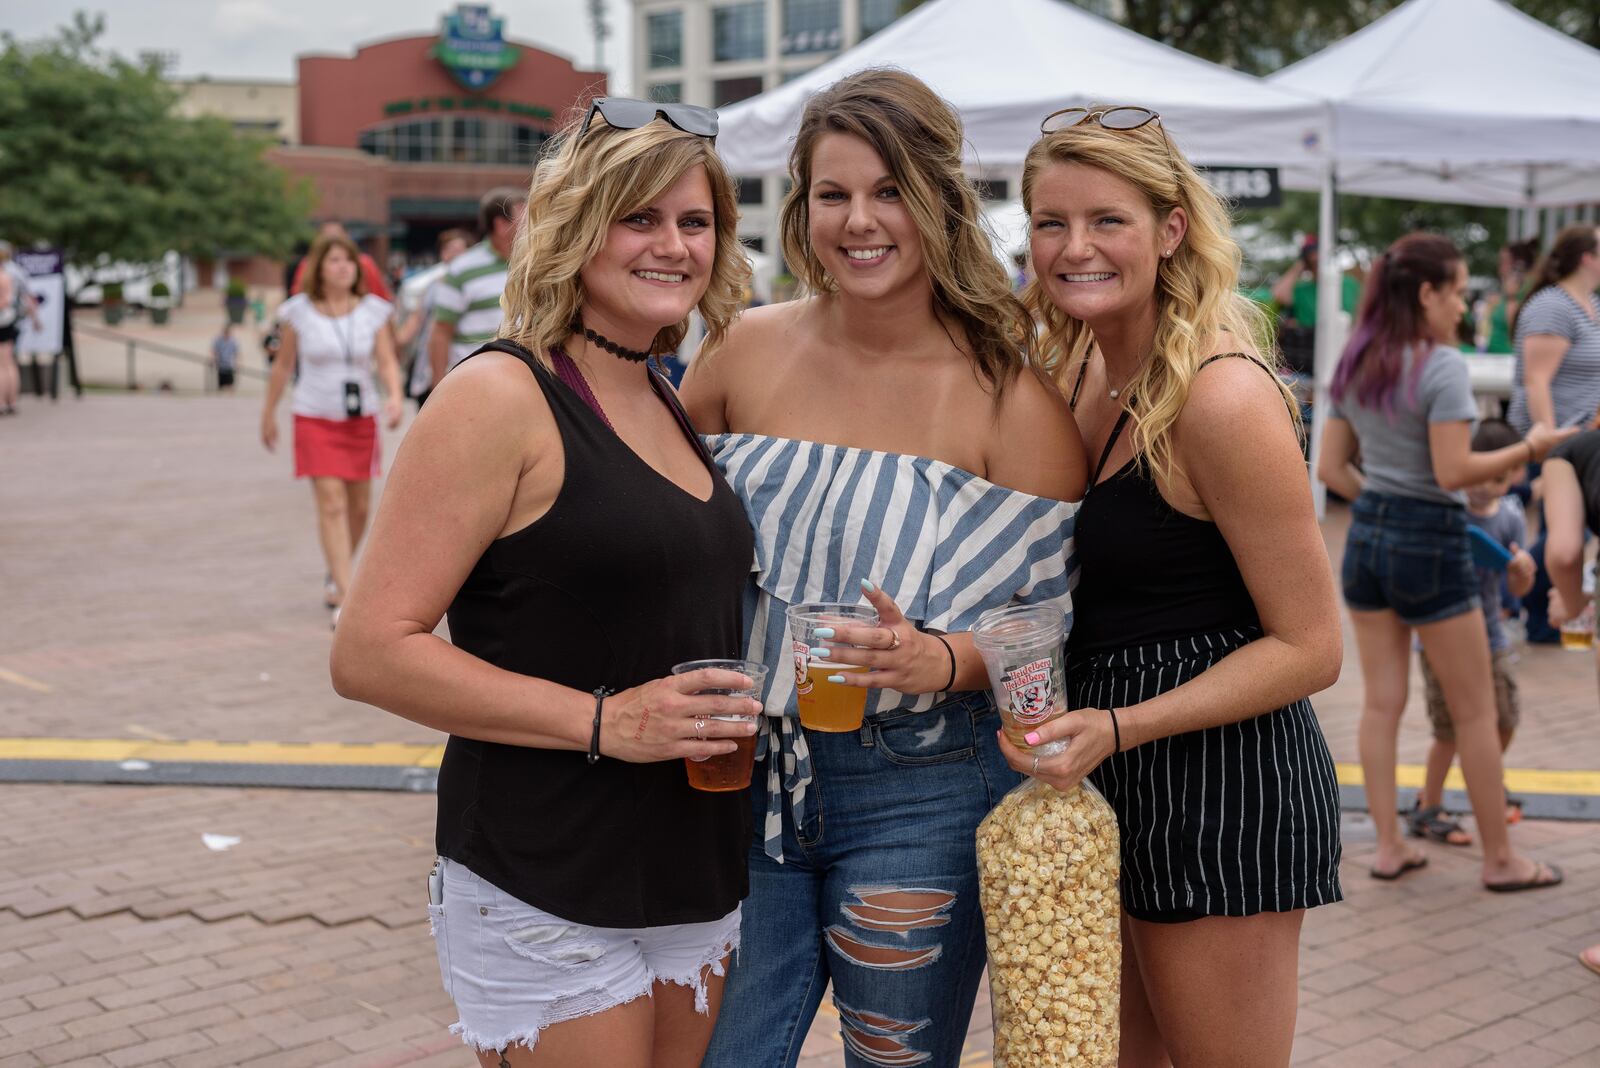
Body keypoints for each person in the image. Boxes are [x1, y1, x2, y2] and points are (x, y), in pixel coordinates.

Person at [330, 97, 761, 1067]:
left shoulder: (663, 389)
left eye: (695, 222)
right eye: (639, 218)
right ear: (575, 227)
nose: (673, 246)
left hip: (691, 865)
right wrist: (610, 722)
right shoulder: (499, 395)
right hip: (546, 867)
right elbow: (368, 653)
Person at [683, 69, 1084, 1068]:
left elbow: (1049, 641)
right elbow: (663, 535)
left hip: (928, 789)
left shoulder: (1010, 398)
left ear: (939, 203)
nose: (859, 221)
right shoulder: (739, 350)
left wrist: (942, 660)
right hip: (744, 781)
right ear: (801, 208)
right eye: (833, 194)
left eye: (888, 191)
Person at [1014, 104, 1342, 1066]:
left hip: (1222, 785)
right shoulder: (1075, 365)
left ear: (1170, 229)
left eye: (1107, 220)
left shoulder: (1220, 395)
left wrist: (1121, 727)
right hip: (1102, 773)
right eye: (1050, 222)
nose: (1075, 247)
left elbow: (1313, 648)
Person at [1318, 232, 1574, 898]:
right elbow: (1454, 470)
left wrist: (1381, 503)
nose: (1463, 305)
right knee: (1476, 711)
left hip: (1369, 539)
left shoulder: (1358, 358)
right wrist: (1530, 445)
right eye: (1458, 291)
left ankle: (1390, 848)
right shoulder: (1441, 366)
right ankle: (1501, 861)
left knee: (1381, 704)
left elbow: (1329, 467)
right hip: (1431, 539)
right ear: (1427, 293)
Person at [259, 233, 402, 625]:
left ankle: (337, 574)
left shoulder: (373, 310)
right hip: (313, 415)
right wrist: (268, 412)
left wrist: (394, 395)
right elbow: (284, 365)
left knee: (358, 508)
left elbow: (387, 360)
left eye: (349, 261)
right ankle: (347, 596)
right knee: (332, 504)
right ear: (318, 268)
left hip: (360, 420)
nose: (343, 267)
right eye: (335, 260)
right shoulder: (298, 312)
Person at [1410, 419, 1535, 846]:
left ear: (1514, 474)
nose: (1486, 486)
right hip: (1441, 636)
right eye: (1478, 474)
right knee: (1447, 730)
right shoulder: (1448, 510)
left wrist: (1522, 572)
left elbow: (1519, 590)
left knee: (1506, 717)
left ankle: (1484, 779)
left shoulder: (1512, 518)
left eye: (1498, 478)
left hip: (1492, 635)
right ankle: (1429, 804)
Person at [427, 187, 527, 390]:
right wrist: (438, 388)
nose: (532, 223)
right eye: (524, 217)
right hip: (475, 386)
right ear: (500, 225)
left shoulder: (536, 264)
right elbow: (441, 332)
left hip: (526, 382)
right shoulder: (461, 269)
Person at [1508, 224, 1600, 434]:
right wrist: (1549, 445)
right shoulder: (1553, 306)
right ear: (1587, 258)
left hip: (1578, 440)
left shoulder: (1592, 303)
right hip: (1554, 444)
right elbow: (1536, 382)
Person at [395, 228, 471, 406]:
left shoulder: (474, 286)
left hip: (461, 363)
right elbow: (417, 318)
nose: (454, 255)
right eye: (449, 250)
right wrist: (396, 341)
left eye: (459, 250)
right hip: (428, 365)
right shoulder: (432, 286)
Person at [1270, 233, 1362, 376]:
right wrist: (1300, 265)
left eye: (1321, 258)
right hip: (1310, 356)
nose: (1317, 263)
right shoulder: (1301, 290)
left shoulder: (1349, 284)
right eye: (1312, 261)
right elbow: (1279, 295)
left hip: (1345, 351)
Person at [289, 221, 393, 302]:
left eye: (337, 236)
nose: (343, 266)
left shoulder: (364, 263)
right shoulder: (308, 264)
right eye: (334, 260)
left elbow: (380, 295)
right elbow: (298, 293)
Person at [0, 240, 41, 415]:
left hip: (4, 320)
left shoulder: (6, 274)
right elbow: (28, 298)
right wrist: (35, 319)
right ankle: (12, 401)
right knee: (9, 362)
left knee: (2, 364)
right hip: (13, 322)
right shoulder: (17, 271)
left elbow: (7, 300)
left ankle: (2, 402)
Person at [211, 322, 239, 392]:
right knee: (221, 385)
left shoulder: (233, 341)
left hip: (229, 365)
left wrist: (237, 363)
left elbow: (236, 353)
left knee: (230, 385)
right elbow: (214, 350)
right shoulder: (218, 339)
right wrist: (214, 359)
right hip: (221, 365)